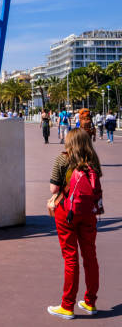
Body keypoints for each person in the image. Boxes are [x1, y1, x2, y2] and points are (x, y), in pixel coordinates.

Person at [47, 128, 103, 320]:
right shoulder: (93, 160)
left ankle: (67, 305)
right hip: (88, 212)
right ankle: (90, 302)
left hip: (66, 212)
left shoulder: (63, 159)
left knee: (70, 258)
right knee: (90, 256)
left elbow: (54, 188)